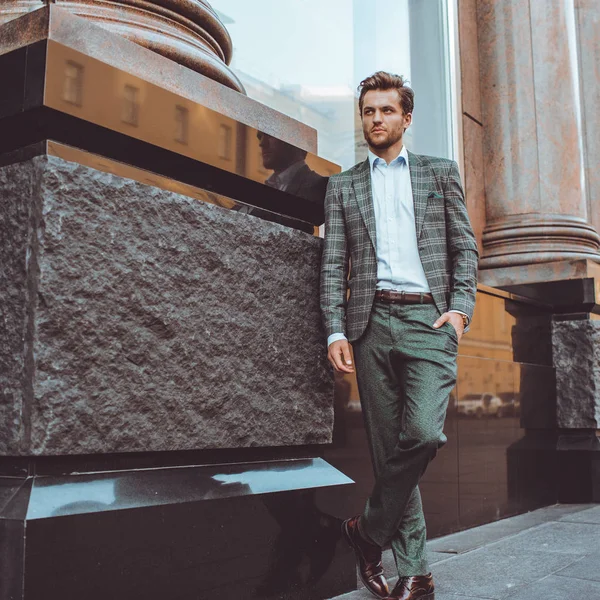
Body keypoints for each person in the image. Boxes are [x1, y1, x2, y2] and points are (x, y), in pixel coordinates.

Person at [320, 72, 478, 600]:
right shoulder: (344, 185)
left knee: (425, 433)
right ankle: (416, 571)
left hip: (428, 321)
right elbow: (333, 262)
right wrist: (336, 329)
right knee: (389, 450)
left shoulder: (439, 173)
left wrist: (459, 311)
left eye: (387, 111)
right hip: (369, 323)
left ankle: (366, 532)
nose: (376, 120)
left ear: (405, 118)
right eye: (369, 111)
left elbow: (465, 248)